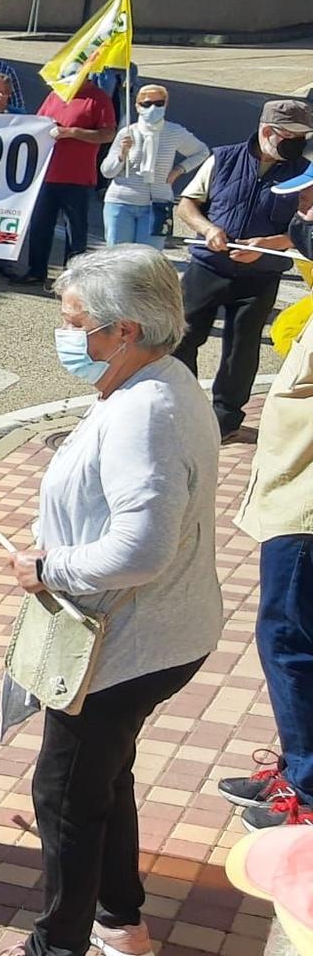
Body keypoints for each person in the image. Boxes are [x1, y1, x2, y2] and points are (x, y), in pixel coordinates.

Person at [0, 247, 219, 956]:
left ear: (124, 330)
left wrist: (52, 566)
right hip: (157, 633)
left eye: (73, 319)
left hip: (124, 646)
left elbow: (140, 550)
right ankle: (123, 922)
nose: (62, 330)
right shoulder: (156, 382)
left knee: (65, 796)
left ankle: (59, 944)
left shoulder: (146, 410)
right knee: (104, 779)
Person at [226, 176, 313, 832]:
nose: (301, 210)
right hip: (293, 494)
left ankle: (306, 794)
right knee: (291, 638)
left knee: (289, 640)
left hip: (305, 508)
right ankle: (296, 767)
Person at [173, 99, 313, 439]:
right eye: (289, 136)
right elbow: (187, 204)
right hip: (208, 267)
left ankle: (225, 420)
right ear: (267, 132)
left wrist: (268, 245)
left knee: (241, 348)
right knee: (181, 338)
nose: (297, 144)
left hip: (261, 274)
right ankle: (183, 407)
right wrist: (208, 229)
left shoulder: (303, 174)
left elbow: (304, 230)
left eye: (303, 137)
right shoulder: (223, 158)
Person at [6, 77, 118, 286]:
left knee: (75, 230)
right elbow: (37, 124)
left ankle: (73, 278)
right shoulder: (56, 94)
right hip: (46, 174)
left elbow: (108, 134)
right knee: (40, 226)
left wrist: (72, 132)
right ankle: (36, 271)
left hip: (77, 177)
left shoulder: (99, 98)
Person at [100, 84, 208, 248]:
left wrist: (179, 170)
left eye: (159, 104)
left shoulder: (175, 132)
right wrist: (122, 153)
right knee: (118, 257)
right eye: (147, 104)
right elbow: (107, 172)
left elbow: (202, 152)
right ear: (137, 106)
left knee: (150, 257)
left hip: (158, 204)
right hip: (121, 202)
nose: (153, 108)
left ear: (166, 105)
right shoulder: (128, 132)